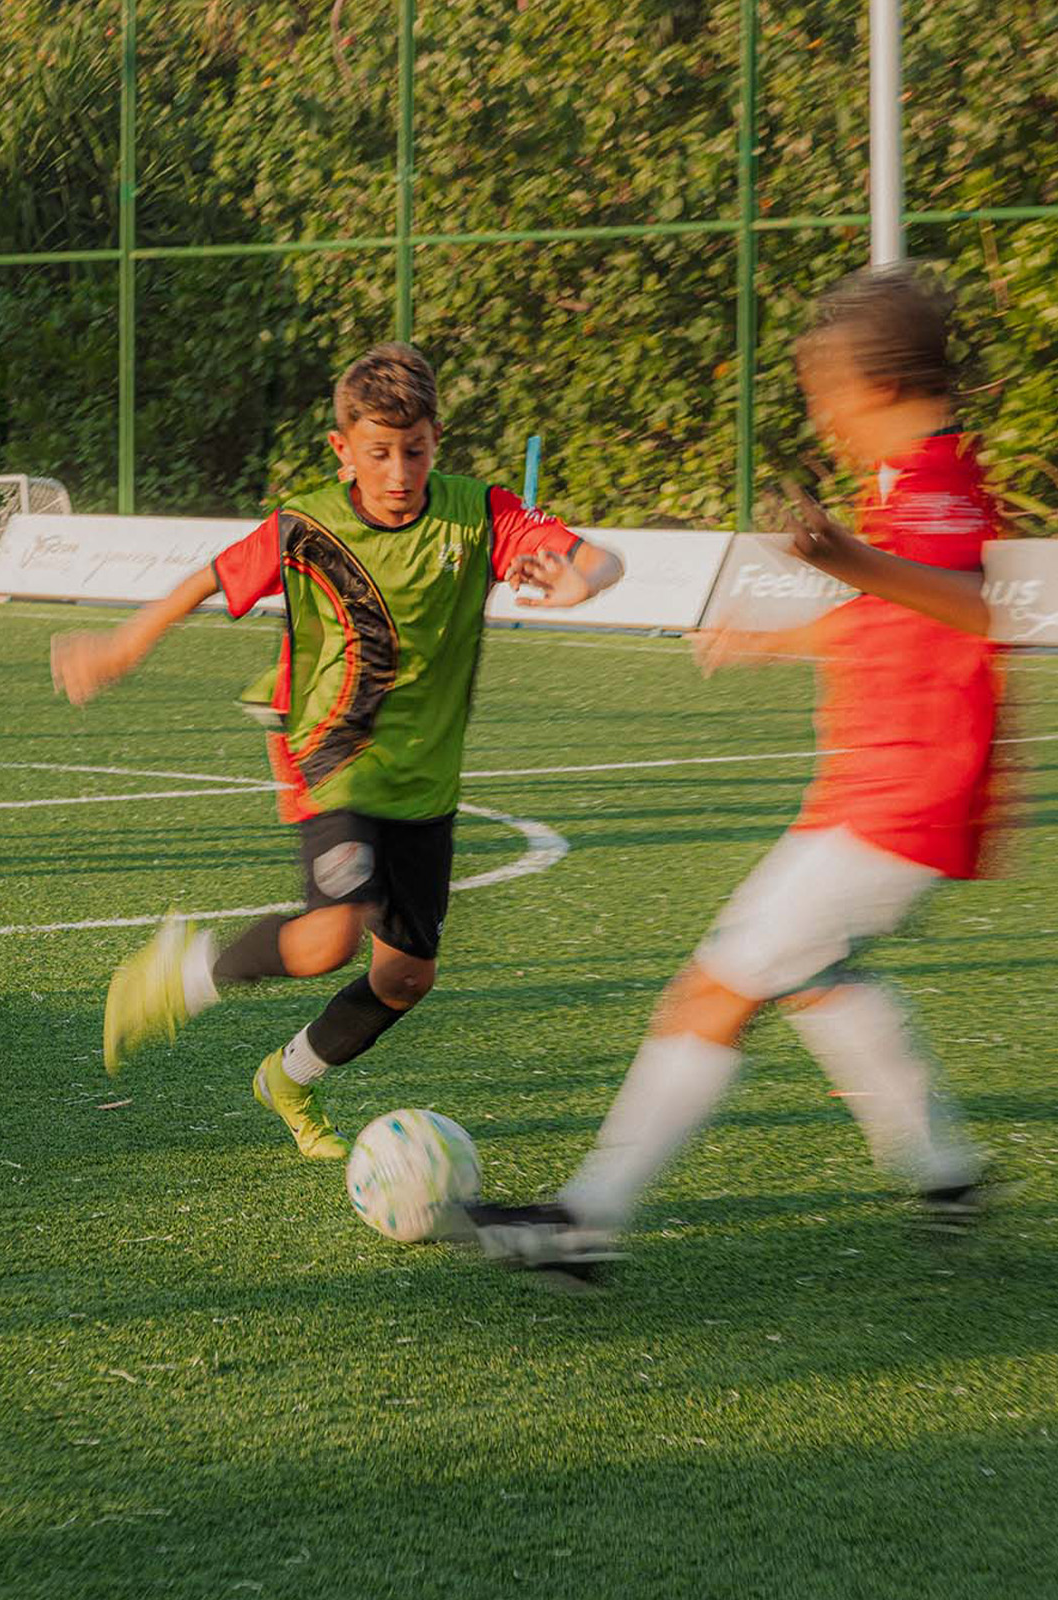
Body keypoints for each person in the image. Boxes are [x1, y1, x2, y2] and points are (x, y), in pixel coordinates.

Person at [464, 264, 1009, 1287]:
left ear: (880, 385)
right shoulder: (914, 481)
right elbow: (898, 613)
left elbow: (967, 605)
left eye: (828, 397)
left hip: (901, 803)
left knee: (709, 992)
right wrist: (780, 637)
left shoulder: (930, 483)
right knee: (812, 981)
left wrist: (851, 560)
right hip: (879, 797)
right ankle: (947, 1173)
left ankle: (585, 1220)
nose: (826, 418)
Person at [52, 341, 623, 1160]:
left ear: (436, 441)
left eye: (415, 451)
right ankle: (185, 973)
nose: (399, 473)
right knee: (329, 939)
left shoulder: (481, 514)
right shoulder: (307, 524)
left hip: (425, 782)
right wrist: (124, 643)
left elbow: (598, 556)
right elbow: (213, 576)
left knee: (404, 980)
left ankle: (287, 1079)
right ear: (342, 448)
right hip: (332, 751)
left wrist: (583, 581)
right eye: (379, 453)